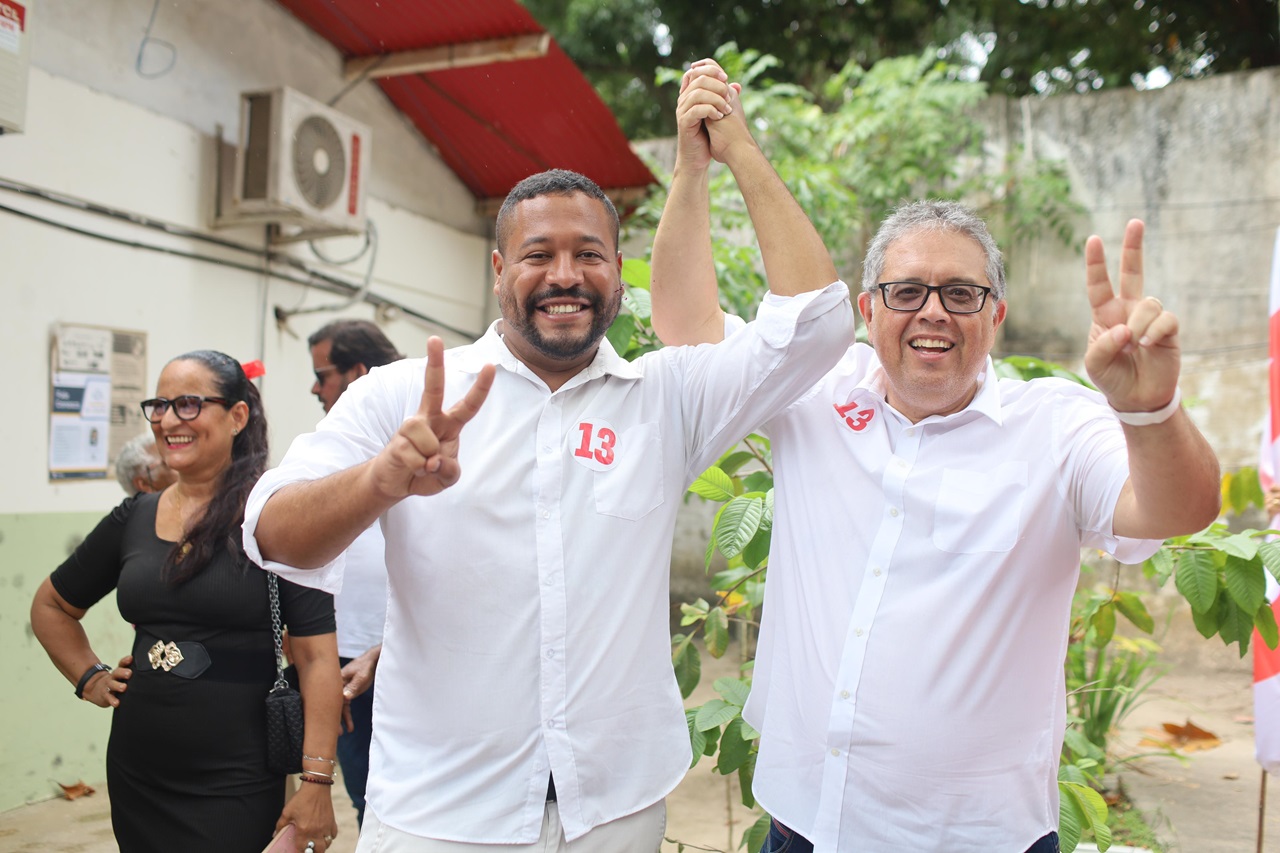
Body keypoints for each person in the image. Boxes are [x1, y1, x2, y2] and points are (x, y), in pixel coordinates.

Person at [650, 59, 1222, 853]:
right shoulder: (816, 391)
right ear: (866, 309)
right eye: (907, 291)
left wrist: (1149, 409)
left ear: (996, 316)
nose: (933, 314)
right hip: (807, 823)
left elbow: (1175, 509)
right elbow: (688, 330)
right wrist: (697, 166)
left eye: (961, 293)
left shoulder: (1053, 424)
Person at [242, 139, 854, 849]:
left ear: (619, 273)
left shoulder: (668, 398)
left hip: (616, 811)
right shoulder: (402, 396)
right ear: (500, 270)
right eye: (539, 255)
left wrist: (730, 155)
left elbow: (819, 326)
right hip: (440, 815)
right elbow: (271, 533)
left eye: (589, 254)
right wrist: (379, 481)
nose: (566, 275)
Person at [30, 351, 344, 853]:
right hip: (139, 767)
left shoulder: (278, 515)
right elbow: (51, 606)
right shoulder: (134, 517)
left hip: (237, 772)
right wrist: (89, 676)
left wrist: (316, 782)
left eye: (190, 404)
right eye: (159, 405)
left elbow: (316, 657)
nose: (169, 420)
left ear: (238, 416)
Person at [306, 318, 404, 826]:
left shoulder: (421, 443)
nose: (315, 387)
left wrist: (382, 651)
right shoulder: (332, 450)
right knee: (368, 800)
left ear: (357, 372)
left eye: (322, 374)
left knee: (410, 802)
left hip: (406, 661)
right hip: (342, 663)